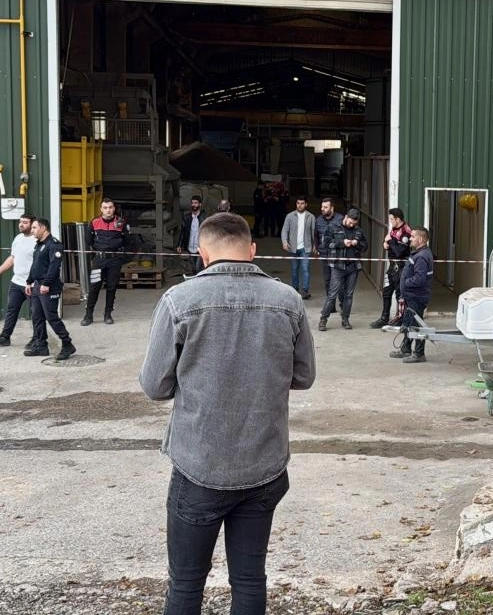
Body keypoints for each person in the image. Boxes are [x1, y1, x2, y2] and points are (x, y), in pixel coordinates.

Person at [139, 212, 316, 615]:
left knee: (185, 585)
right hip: (265, 467)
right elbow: (304, 377)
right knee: (250, 579)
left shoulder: (178, 301)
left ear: (202, 254)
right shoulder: (288, 301)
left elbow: (155, 386)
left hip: (200, 466)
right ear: (252, 250)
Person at [23, 218, 75, 361]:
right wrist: (29, 282)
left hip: (49, 287)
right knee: (36, 316)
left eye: (34, 228)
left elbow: (54, 266)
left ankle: (67, 344)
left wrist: (46, 284)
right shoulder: (39, 245)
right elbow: (35, 266)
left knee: (51, 317)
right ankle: (40, 345)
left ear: (43, 228)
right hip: (37, 286)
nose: (32, 231)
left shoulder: (54, 245)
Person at [0, 213, 37, 347]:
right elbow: (13, 258)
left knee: (36, 313)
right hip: (17, 282)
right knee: (11, 310)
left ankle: (37, 339)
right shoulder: (18, 238)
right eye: (20, 222)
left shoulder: (37, 240)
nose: (21, 224)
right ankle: (5, 337)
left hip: (31, 284)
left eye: (25, 222)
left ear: (32, 224)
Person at [388, 226, 433, 363]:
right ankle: (405, 349)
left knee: (416, 325)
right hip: (411, 296)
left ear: (420, 239)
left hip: (417, 297)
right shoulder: (418, 254)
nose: (410, 239)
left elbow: (420, 279)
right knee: (408, 323)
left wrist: (405, 282)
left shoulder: (421, 257)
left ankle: (419, 353)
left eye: (413, 237)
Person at [318, 208, 367, 331]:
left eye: (354, 224)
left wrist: (358, 243)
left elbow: (365, 246)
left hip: (353, 267)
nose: (351, 225)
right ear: (345, 217)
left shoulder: (358, 231)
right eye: (350, 222)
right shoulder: (333, 227)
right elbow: (325, 244)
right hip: (338, 266)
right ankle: (323, 319)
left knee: (349, 295)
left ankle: (345, 319)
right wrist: (342, 242)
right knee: (332, 294)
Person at [83, 198, 129, 326]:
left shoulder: (121, 223)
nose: (108, 210)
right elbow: (89, 241)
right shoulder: (94, 222)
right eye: (105, 208)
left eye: (110, 207)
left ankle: (108, 315)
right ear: (101, 209)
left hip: (114, 260)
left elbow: (127, 240)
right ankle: (88, 315)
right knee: (94, 287)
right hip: (99, 260)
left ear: (114, 209)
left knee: (112, 287)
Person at [371, 208, 413, 329]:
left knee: (400, 294)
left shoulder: (406, 232)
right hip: (392, 266)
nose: (390, 221)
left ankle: (400, 318)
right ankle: (384, 318)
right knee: (386, 291)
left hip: (401, 267)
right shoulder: (394, 229)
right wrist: (388, 244)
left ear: (398, 219)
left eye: (391, 219)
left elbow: (400, 251)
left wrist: (389, 243)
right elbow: (388, 243)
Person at [281, 196, 316, 299]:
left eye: (302, 203)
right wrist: (284, 242)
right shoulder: (290, 216)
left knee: (305, 269)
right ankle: (295, 290)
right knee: (294, 269)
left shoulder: (311, 217)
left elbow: (314, 232)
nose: (300, 205)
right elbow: (284, 230)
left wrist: (315, 245)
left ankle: (305, 291)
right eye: (298, 203)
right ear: (296, 204)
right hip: (293, 247)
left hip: (306, 248)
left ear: (306, 204)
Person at [314, 198, 344, 306]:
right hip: (324, 255)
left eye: (325, 207)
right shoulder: (318, 220)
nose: (323, 209)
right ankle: (330, 304)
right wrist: (317, 248)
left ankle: (342, 303)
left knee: (339, 281)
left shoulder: (340, 219)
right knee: (327, 280)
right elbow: (316, 235)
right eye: (322, 207)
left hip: (337, 255)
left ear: (332, 208)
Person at [177, 195, 207, 276]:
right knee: (193, 267)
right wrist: (179, 245)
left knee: (198, 267)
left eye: (196, 203)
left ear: (200, 204)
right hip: (190, 247)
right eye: (192, 203)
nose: (194, 205)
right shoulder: (186, 218)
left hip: (199, 248)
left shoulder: (204, 218)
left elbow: (207, 233)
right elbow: (182, 232)